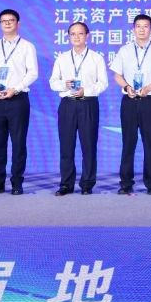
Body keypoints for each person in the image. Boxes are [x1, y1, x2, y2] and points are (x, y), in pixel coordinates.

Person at [109, 14, 151, 195]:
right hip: (129, 101)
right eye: (138, 26)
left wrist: (149, 87)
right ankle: (125, 183)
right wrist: (127, 87)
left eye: (145, 26)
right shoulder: (125, 50)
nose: (142, 29)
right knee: (128, 143)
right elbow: (117, 75)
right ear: (133, 29)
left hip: (150, 101)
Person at [0, 8, 38, 196]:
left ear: (18, 23)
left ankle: (17, 183)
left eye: (11, 20)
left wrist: (15, 88)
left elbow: (32, 73)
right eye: (4, 21)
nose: (8, 23)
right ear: (0, 24)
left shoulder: (27, 46)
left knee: (18, 143)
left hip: (17, 99)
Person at [49, 20, 108, 195]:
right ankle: (66, 184)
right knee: (66, 146)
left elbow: (103, 83)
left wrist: (85, 90)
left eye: (80, 33)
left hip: (88, 104)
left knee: (88, 146)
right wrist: (65, 84)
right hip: (67, 105)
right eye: (72, 34)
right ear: (68, 37)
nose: (76, 37)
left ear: (87, 36)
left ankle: (87, 184)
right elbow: (53, 83)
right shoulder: (62, 58)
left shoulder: (96, 58)